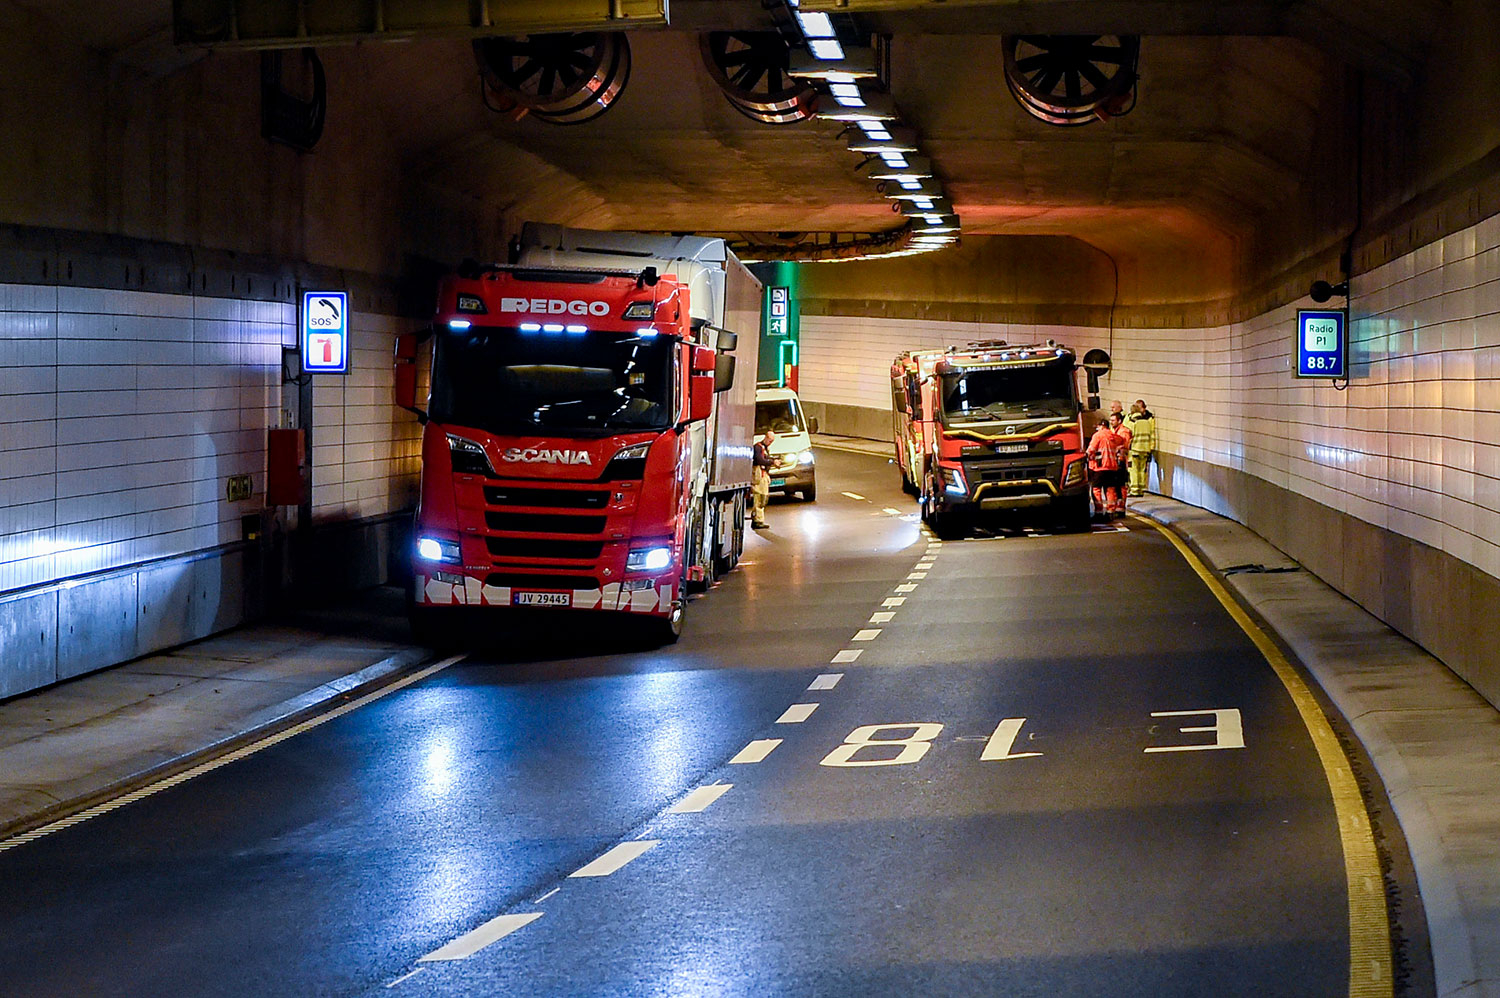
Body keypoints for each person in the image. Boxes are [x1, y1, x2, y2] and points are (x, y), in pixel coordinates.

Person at [1086, 417, 1123, 520]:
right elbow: (1121, 442)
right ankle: (1110, 511)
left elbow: (1091, 450)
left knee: (1096, 489)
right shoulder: (1114, 436)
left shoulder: (1097, 436)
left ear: (1101, 426)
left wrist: (1087, 457)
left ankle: (1099, 511)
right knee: (1110, 489)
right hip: (1112, 467)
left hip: (1099, 467)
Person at [1126, 399, 1156, 497]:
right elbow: (1151, 434)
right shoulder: (1147, 422)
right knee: (1142, 469)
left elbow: (1129, 436)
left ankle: (1134, 490)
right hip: (1145, 449)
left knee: (1133, 469)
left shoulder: (1132, 423)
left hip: (1135, 449)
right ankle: (1141, 489)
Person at [751, 429, 775, 528]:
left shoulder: (764, 448)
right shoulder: (758, 447)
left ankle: (758, 518)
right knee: (759, 497)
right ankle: (757, 520)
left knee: (763, 497)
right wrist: (772, 462)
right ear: (765, 437)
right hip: (758, 476)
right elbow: (759, 460)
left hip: (762, 475)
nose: (770, 443)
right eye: (769, 440)